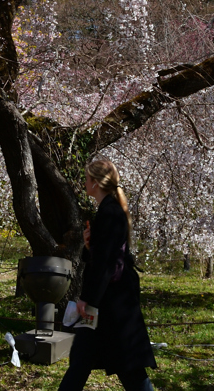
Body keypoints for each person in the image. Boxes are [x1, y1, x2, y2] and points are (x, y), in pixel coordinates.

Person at [58, 156, 156, 391]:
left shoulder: (109, 213)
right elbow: (103, 256)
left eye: (86, 179)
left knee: (129, 369)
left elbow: (106, 264)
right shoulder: (108, 211)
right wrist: (89, 246)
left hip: (111, 305)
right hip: (105, 304)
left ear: (95, 182)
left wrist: (87, 298)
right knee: (81, 362)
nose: (84, 183)